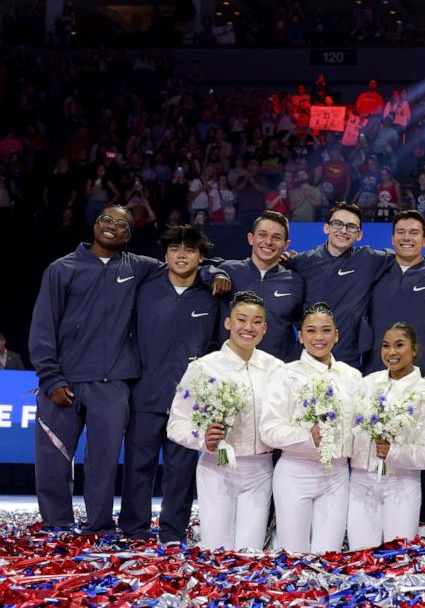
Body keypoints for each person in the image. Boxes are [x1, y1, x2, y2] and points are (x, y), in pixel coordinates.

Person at [29, 205, 228, 534]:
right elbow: (42, 326)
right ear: (95, 224)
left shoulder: (140, 268)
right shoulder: (61, 269)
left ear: (129, 236)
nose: (112, 227)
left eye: (122, 224)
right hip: (63, 379)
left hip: (114, 383)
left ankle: (100, 527)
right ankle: (57, 527)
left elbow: (189, 265)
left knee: (104, 464)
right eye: (107, 219)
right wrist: (50, 377)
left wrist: (216, 273)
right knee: (53, 459)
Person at [120, 225, 221, 543]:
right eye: (175, 249)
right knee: (138, 467)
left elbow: (218, 348)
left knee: (180, 474)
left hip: (190, 403)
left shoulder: (212, 296)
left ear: (201, 257)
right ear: (165, 254)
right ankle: (134, 531)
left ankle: (172, 532)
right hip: (145, 395)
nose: (181, 255)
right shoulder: (145, 288)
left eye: (189, 250)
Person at [166, 291, 284, 550]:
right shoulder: (204, 368)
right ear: (228, 322)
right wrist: (202, 438)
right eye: (242, 319)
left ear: (265, 328)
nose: (248, 328)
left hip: (261, 471)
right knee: (217, 550)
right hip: (217, 469)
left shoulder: (276, 368)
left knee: (249, 552)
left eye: (257, 322)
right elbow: (176, 422)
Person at [260, 303, 363, 553]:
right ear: (301, 336)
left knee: (328, 556)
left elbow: (360, 427)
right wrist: (307, 436)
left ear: (336, 335)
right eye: (312, 330)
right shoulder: (285, 374)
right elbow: (269, 430)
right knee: (294, 556)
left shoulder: (352, 376)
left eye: (326, 330)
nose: (319, 337)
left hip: (337, 475)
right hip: (296, 472)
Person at [348, 323, 425, 550]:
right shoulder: (367, 384)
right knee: (360, 557)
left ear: (415, 350)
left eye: (399, 345)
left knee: (397, 558)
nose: (391, 352)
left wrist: (395, 452)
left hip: (402, 484)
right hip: (362, 481)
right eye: (386, 346)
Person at [284, 202, 391, 368]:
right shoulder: (301, 262)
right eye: (337, 224)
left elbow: (408, 258)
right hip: (307, 359)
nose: (343, 230)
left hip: (348, 360)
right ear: (326, 228)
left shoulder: (369, 259)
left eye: (351, 227)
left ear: (359, 235)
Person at [216, 211, 304, 362]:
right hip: (229, 371)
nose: (268, 242)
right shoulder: (227, 272)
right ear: (251, 238)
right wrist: (213, 275)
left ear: (286, 245)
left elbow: (305, 328)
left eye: (276, 237)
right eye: (262, 234)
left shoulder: (295, 281)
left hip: (276, 373)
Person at [368, 211, 425, 374]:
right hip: (376, 374)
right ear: (393, 238)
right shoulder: (374, 272)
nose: (406, 237)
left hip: (422, 374)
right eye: (401, 232)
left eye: (414, 233)